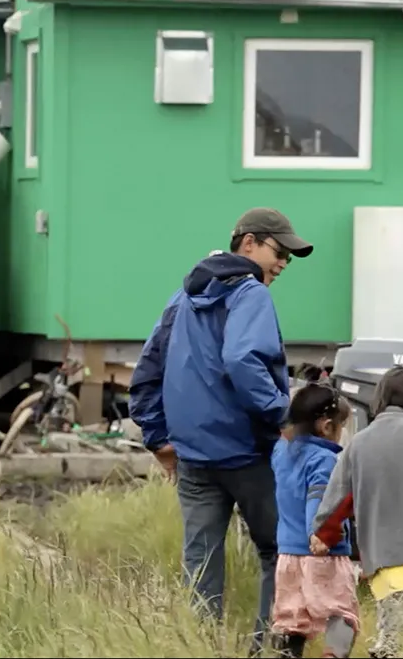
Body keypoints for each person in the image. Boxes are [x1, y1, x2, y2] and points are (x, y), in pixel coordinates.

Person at [128, 207, 313, 655]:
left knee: (201, 562)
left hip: (193, 457)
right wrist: (282, 416)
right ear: (248, 242)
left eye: (289, 257)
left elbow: (148, 369)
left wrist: (158, 438)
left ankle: (199, 648)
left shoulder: (183, 296)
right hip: (249, 454)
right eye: (279, 251)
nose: (283, 263)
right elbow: (242, 360)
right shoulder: (251, 293)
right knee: (279, 552)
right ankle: (268, 651)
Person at [310, 366, 403, 659]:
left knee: (395, 638)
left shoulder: (358, 444)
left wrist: (324, 535)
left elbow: (337, 500)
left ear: (378, 402)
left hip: (384, 568)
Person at [270, 382, 358, 659]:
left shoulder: (280, 452)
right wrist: (319, 533)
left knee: (290, 622)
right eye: (342, 426)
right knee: (341, 617)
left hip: (288, 557)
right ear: (327, 427)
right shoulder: (324, 459)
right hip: (323, 553)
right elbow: (318, 499)